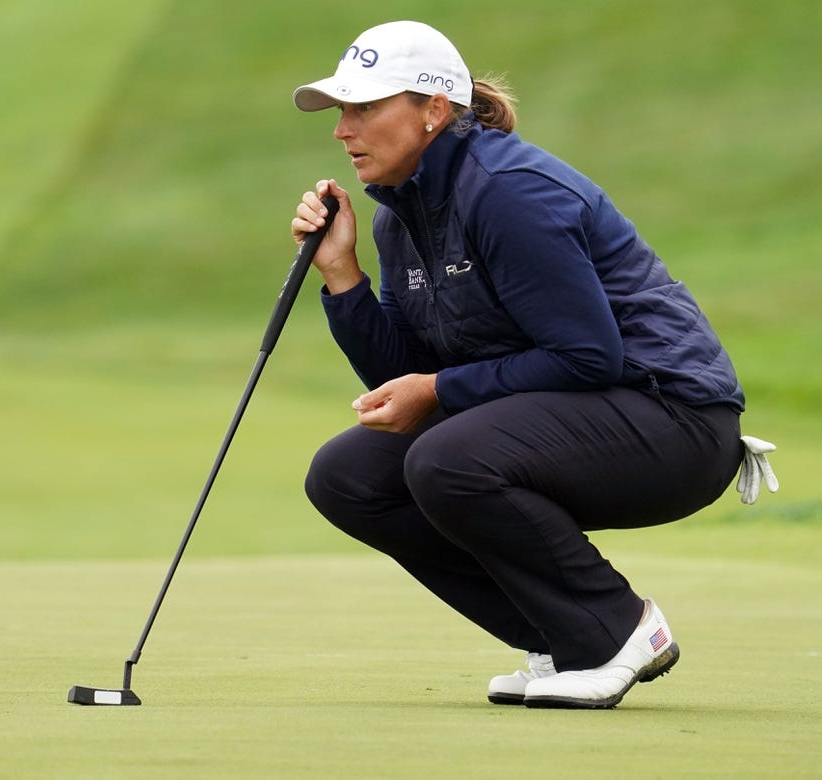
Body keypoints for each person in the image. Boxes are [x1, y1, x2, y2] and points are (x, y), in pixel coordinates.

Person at [289, 20, 748, 708]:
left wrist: (438, 388)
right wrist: (343, 277)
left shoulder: (507, 189)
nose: (342, 129)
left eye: (364, 108)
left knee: (445, 459)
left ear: (433, 111)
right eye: (341, 111)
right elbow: (412, 377)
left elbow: (589, 356)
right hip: (580, 417)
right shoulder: (401, 217)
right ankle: (561, 637)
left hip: (676, 421)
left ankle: (616, 630)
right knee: (348, 476)